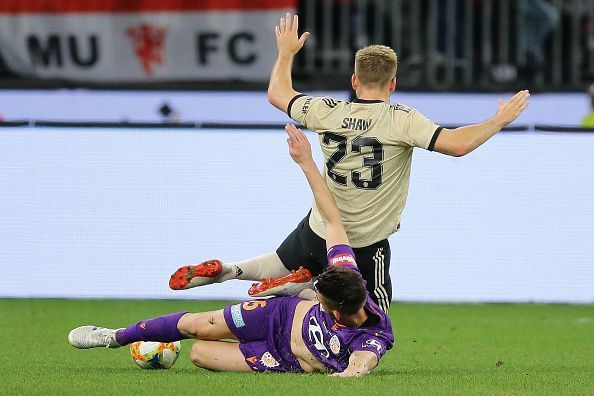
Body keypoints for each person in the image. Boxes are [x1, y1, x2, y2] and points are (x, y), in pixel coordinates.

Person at [170, 13, 530, 312]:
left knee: (279, 262)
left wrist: (285, 53)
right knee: (372, 320)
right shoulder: (402, 120)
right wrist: (498, 120)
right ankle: (299, 291)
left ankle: (232, 270)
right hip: (363, 242)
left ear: (354, 80)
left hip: (320, 227)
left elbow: (278, 94)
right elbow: (457, 145)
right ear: (393, 84)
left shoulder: (327, 111)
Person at [68, 125, 394, 377]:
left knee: (199, 354)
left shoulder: (372, 338)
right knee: (195, 325)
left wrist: (350, 374)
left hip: (285, 357)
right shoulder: (347, 275)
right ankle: (115, 336)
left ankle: (282, 286)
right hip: (278, 315)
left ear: (339, 311)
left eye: (321, 300)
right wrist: (307, 163)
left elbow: (360, 366)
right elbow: (333, 219)